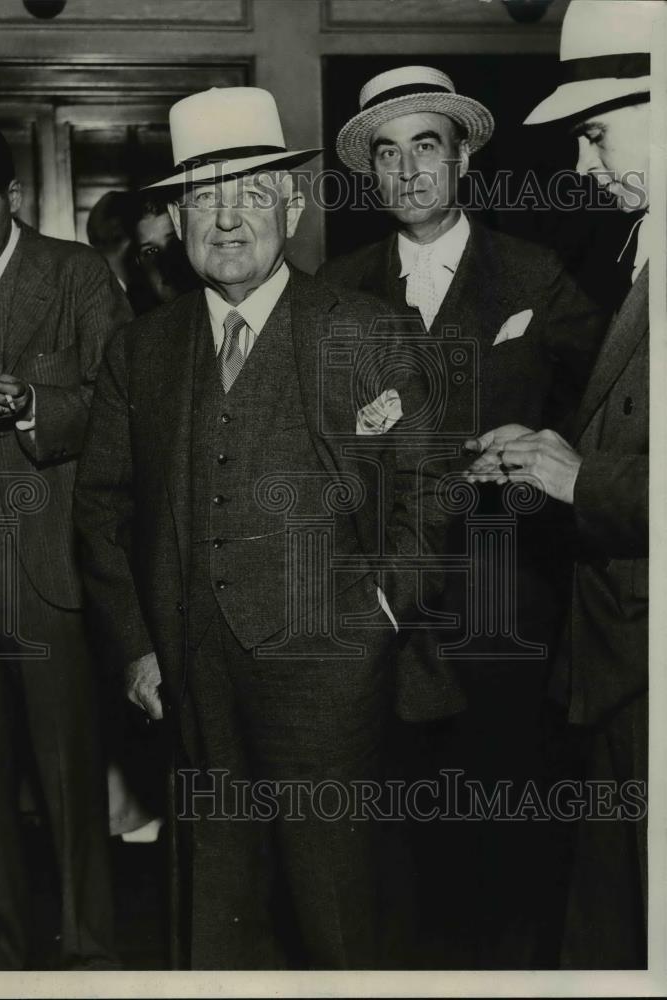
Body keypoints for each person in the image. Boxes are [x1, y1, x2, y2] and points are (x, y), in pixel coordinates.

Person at [74, 85, 433, 970]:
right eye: (203, 197)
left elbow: (433, 489)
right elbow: (102, 506)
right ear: (176, 215)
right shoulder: (141, 350)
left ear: (294, 206)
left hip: (330, 681)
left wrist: (380, 615)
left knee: (336, 913)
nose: (226, 219)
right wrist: (136, 647)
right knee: (213, 912)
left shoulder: (363, 329)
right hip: (189, 682)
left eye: (250, 193)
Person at [318, 65, 607, 967]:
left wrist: (543, 449)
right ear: (370, 173)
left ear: (465, 159)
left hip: (508, 598)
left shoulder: (533, 273)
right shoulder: (337, 287)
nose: (407, 171)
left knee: (508, 828)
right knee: (395, 832)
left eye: (427, 147)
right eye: (388, 154)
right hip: (387, 607)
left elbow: (610, 407)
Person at [465, 0, 658, 969]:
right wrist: (553, 454)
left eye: (593, 133)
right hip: (618, 655)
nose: (582, 168)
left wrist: (581, 477)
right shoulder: (637, 249)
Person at [0, 117, 131, 969]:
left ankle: (88, 951)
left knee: (68, 774)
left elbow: (120, 407)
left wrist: (36, 404)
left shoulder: (77, 274)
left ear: (10, 196)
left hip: (49, 566)